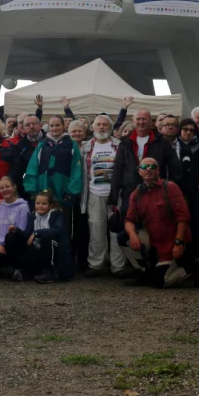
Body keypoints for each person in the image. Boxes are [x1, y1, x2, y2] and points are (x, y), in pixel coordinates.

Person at [122, 157, 199, 288]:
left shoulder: (170, 187)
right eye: (144, 167)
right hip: (153, 240)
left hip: (172, 241)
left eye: (152, 167)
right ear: (139, 171)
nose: (148, 170)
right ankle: (146, 271)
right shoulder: (136, 194)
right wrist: (133, 235)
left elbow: (183, 217)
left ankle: (191, 268)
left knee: (160, 283)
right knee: (123, 237)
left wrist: (179, 242)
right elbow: (129, 220)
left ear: (158, 171)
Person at [108, 109, 181, 218]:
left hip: (156, 191)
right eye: (138, 119)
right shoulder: (125, 143)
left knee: (155, 226)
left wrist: (170, 189)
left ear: (150, 121)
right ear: (133, 120)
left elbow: (174, 167)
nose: (141, 122)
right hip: (130, 191)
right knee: (129, 226)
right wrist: (113, 197)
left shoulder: (162, 142)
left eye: (144, 119)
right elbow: (118, 169)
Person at [80, 113, 128, 278]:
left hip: (116, 195)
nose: (101, 127)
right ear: (93, 128)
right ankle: (96, 264)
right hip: (94, 193)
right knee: (96, 230)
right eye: (98, 125)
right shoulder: (86, 147)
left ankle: (118, 266)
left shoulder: (119, 145)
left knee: (116, 230)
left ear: (110, 127)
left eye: (105, 125)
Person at [22, 113, 83, 208]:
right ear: (49, 127)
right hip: (44, 189)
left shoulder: (71, 144)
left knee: (63, 220)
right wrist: (31, 188)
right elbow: (33, 166)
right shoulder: (42, 144)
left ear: (63, 126)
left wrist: (72, 190)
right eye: (52, 126)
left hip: (64, 190)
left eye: (57, 125)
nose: (54, 128)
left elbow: (76, 168)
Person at [20, 191, 74, 284]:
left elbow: (57, 230)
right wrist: (16, 232)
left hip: (56, 250)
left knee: (45, 237)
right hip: (39, 248)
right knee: (28, 242)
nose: (40, 206)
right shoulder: (33, 215)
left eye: (44, 204)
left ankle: (51, 272)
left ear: (50, 205)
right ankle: (28, 271)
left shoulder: (56, 214)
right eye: (38, 203)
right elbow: (27, 233)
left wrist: (37, 232)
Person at [0, 176, 32, 275]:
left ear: (14, 187)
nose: (5, 190)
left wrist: (13, 232)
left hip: (15, 245)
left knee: (11, 236)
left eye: (7, 186)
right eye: (1, 188)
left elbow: (22, 231)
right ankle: (6, 269)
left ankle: (15, 268)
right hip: (1, 246)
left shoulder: (23, 207)